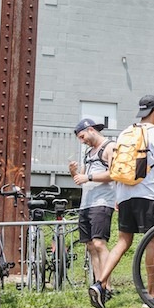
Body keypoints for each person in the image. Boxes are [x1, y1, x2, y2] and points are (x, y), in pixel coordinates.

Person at [88, 95, 154, 308]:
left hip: (125, 194)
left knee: (123, 241)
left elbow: (118, 167)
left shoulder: (126, 133)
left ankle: (100, 284)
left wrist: (119, 197)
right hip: (147, 195)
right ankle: (153, 295)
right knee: (152, 240)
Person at [69, 118, 116, 296]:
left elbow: (114, 173)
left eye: (83, 136)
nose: (82, 141)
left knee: (99, 243)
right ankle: (98, 285)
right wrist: (74, 172)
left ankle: (107, 286)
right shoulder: (88, 153)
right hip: (86, 203)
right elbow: (81, 178)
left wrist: (87, 178)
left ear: (90, 130)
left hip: (102, 202)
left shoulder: (110, 147)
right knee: (90, 245)